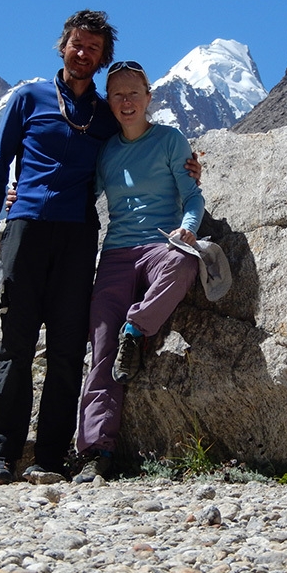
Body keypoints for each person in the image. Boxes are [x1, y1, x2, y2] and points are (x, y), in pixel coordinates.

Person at [0, 11, 200, 485]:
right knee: (16, 345)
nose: (83, 54)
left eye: (93, 49)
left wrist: (191, 168)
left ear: (103, 58)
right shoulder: (29, 98)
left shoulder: (104, 115)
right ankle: (4, 453)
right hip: (26, 230)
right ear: (63, 46)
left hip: (78, 237)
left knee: (65, 349)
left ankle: (51, 458)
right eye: (77, 44)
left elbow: (138, 158)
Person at [73, 60, 205, 484]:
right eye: (118, 95)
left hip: (161, 245)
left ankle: (138, 329)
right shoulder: (105, 149)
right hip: (115, 255)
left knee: (185, 263)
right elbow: (81, 192)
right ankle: (96, 452)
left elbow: (192, 197)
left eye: (134, 94)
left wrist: (187, 230)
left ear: (149, 97)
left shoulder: (170, 140)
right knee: (99, 353)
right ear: (108, 102)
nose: (126, 102)